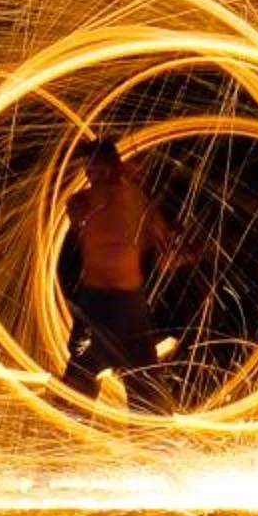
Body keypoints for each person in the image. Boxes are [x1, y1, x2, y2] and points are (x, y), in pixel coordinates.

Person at [60, 136, 186, 408]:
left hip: (129, 306)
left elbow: (163, 250)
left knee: (145, 389)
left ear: (113, 166)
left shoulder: (136, 201)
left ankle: (150, 443)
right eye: (88, 168)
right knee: (78, 385)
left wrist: (177, 243)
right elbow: (82, 217)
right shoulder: (81, 201)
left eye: (97, 167)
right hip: (95, 305)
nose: (90, 174)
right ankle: (67, 437)